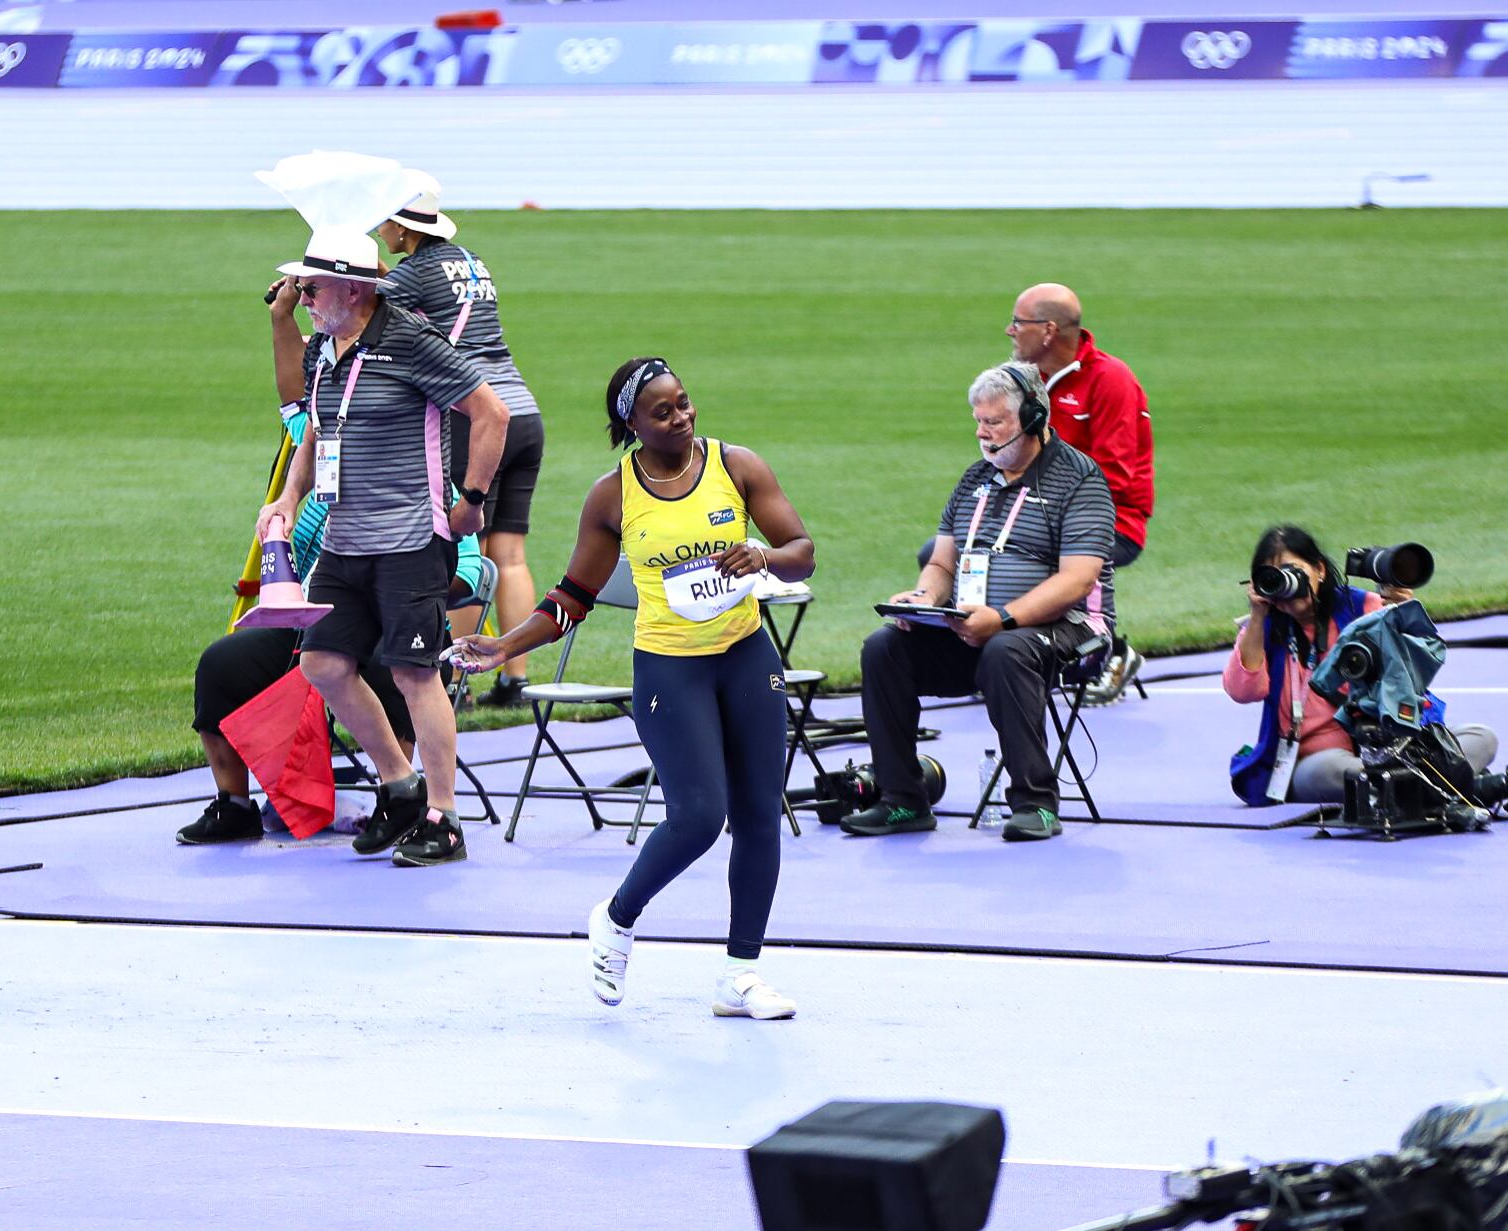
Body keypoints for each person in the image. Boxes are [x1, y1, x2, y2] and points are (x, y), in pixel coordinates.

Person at [446, 357, 815, 1018]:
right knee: (699, 816)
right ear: (631, 423)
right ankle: (616, 917)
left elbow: (801, 549)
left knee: (759, 813)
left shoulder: (737, 466)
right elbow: (570, 598)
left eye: (684, 402)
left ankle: (740, 974)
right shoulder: (611, 496)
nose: (681, 416)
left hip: (744, 654)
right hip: (670, 669)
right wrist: (503, 645)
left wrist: (762, 555)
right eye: (663, 411)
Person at [258, 226, 509, 868]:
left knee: (415, 674)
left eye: (312, 286)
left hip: (410, 540)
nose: (303, 295)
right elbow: (319, 430)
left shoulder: (408, 342)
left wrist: (473, 500)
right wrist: (289, 499)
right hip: (345, 540)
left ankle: (444, 818)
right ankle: (400, 786)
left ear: (355, 288)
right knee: (324, 666)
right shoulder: (324, 349)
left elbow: (492, 413)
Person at [843, 361, 1115, 843]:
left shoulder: (1079, 479)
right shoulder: (974, 480)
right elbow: (943, 564)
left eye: (995, 422)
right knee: (883, 648)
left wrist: (1004, 618)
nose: (983, 434)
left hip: (1069, 629)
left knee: (1006, 650)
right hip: (974, 627)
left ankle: (1036, 803)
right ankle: (902, 799)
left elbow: (1078, 580)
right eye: (978, 422)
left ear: (1032, 418)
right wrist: (923, 600)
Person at [378, 173, 544, 708]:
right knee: (511, 555)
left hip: (475, 419)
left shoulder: (413, 272)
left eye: (384, 219)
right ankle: (514, 678)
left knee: (461, 551)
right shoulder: (469, 261)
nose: (379, 229)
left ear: (403, 226)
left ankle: (455, 682)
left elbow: (365, 306)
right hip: (523, 414)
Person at [1223, 525, 1497, 804]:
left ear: (1320, 569)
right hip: (1320, 762)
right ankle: (1451, 786)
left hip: (1389, 748)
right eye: (1276, 577)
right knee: (1336, 772)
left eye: (1294, 570)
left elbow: (1416, 673)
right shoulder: (1264, 629)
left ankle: (1406, 790)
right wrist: (1257, 616)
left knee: (1483, 737)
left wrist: (1402, 615)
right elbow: (1242, 691)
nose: (1289, 585)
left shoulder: (1360, 607)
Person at [1005, 283, 1153, 704]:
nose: (1009, 331)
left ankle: (1109, 653)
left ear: (1048, 330)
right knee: (954, 551)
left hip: (1111, 521)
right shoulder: (1023, 382)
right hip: (1035, 514)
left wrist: (1042, 510)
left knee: (1033, 556)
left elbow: (1114, 478)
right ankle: (1001, 656)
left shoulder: (1111, 381)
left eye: (1018, 322)